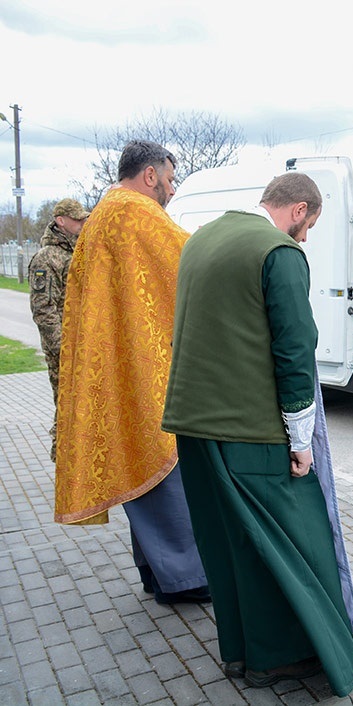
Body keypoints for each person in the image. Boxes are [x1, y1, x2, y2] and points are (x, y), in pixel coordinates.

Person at [161, 172, 353, 693]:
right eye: (309, 224)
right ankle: (281, 659)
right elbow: (294, 350)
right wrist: (301, 441)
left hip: (193, 424)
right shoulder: (278, 252)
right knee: (294, 540)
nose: (306, 237)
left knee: (228, 542)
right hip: (249, 428)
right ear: (298, 209)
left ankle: (240, 654)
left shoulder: (201, 239)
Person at [54, 140, 210, 605]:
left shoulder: (102, 213)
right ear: (150, 175)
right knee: (164, 470)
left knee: (142, 471)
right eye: (170, 179)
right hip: (144, 370)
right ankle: (185, 580)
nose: (172, 190)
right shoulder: (137, 213)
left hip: (118, 366)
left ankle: (156, 572)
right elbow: (191, 261)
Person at [28, 197, 90, 461]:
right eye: (77, 219)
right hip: (64, 351)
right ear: (60, 221)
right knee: (66, 407)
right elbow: (43, 310)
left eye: (83, 218)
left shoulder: (76, 252)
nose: (81, 223)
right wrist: (62, 348)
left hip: (83, 345)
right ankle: (63, 461)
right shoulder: (46, 258)